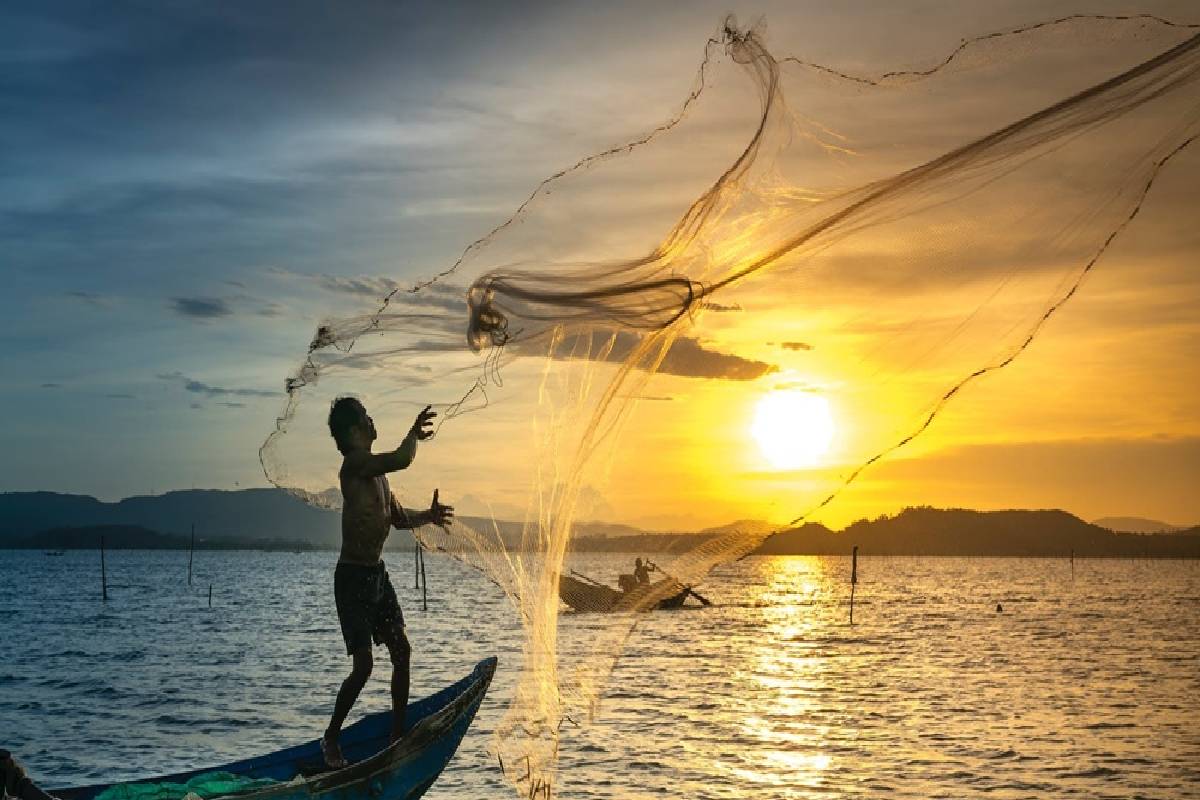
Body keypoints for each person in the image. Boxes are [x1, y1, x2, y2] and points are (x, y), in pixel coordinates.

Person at [320, 397, 454, 770]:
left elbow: (397, 519)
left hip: (377, 575)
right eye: (366, 416)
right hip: (352, 579)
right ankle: (331, 736)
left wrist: (428, 516)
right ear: (353, 431)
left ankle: (397, 736)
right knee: (364, 666)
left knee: (402, 652)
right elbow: (402, 458)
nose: (372, 419)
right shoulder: (355, 464)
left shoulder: (379, 475)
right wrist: (413, 434)